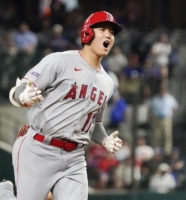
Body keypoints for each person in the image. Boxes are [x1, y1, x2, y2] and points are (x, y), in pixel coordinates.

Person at [0, 11, 123, 200]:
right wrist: (24, 95)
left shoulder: (107, 82)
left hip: (74, 157)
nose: (108, 35)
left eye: (112, 32)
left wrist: (105, 140)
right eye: (103, 29)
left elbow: (95, 124)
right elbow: (19, 89)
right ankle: (5, 194)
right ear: (87, 34)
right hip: (39, 149)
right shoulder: (60, 61)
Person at [148, 85, 178, 155]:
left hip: (166, 119)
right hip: (157, 118)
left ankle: (167, 150)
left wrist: (170, 114)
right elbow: (151, 108)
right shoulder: (155, 99)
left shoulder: (170, 98)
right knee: (157, 134)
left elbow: (174, 107)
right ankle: (157, 149)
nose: (162, 92)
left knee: (167, 134)